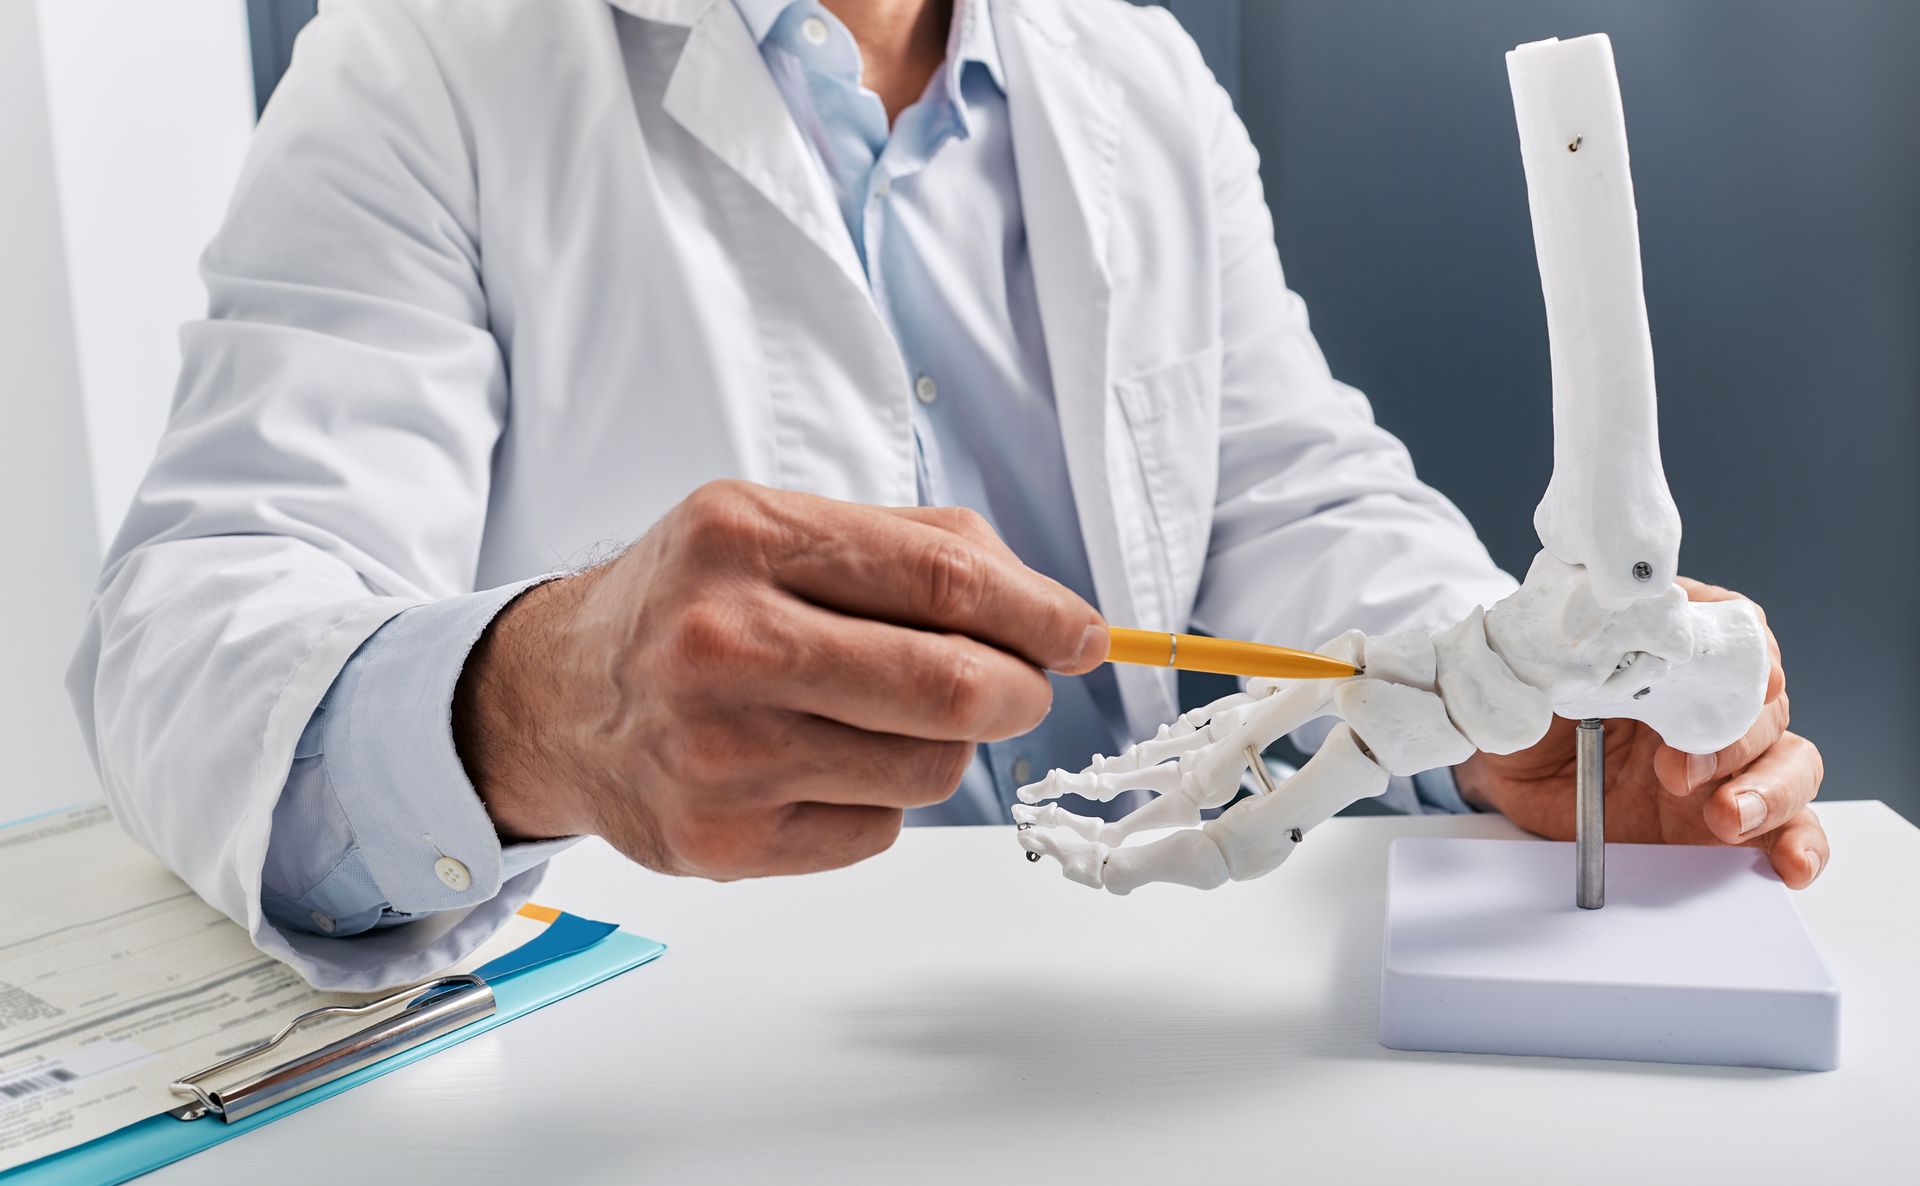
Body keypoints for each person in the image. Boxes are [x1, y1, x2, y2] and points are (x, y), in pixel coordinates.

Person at [68, 0, 1824, 991]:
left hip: (1146, 1025)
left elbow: (1290, 491)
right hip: (707, 1067)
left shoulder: (1132, 71)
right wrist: (537, 703)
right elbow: (192, 627)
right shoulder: (425, 62)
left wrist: (1498, 695)